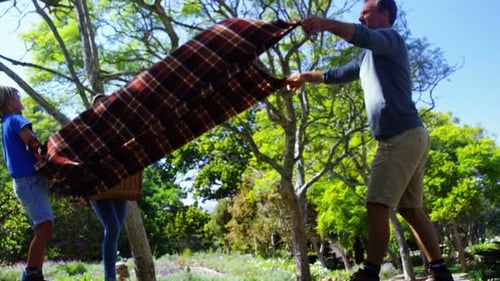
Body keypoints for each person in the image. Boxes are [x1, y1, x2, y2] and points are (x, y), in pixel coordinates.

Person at [286, 1, 454, 280]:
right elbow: (334, 75)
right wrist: (304, 76)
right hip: (413, 135)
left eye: (366, 11)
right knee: (410, 208)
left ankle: (370, 273)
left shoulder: (389, 38)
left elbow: (363, 36)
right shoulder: (367, 58)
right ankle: (439, 270)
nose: (360, 16)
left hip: (398, 137)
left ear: (385, 15)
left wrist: (325, 23)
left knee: (376, 204)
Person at [0, 86, 54, 281]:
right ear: (7, 103)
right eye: (16, 96)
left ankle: (35, 274)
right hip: (29, 181)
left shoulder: (6, 122)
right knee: (44, 227)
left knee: (44, 228)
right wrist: (48, 157)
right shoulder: (15, 119)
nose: (19, 99)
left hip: (25, 182)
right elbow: (32, 142)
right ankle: (31, 275)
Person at [89, 93, 128, 281]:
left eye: (106, 103)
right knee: (112, 228)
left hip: (120, 186)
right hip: (98, 188)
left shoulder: (120, 130)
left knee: (115, 230)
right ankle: (109, 277)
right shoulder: (89, 131)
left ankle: (113, 274)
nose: (103, 106)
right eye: (99, 105)